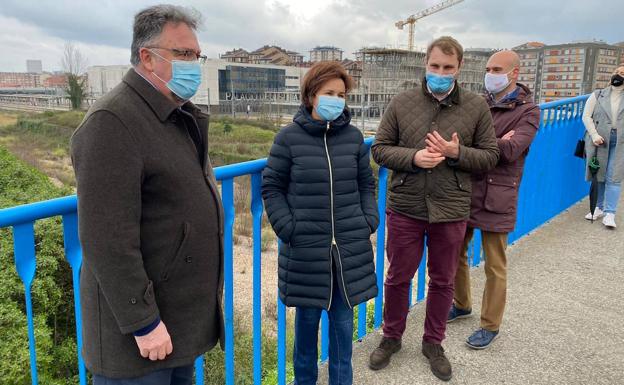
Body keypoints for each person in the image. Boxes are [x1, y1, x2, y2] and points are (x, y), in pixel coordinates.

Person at [71, 5, 223, 384]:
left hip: (176, 327)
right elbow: (106, 238)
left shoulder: (173, 113)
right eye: (183, 54)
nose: (194, 64)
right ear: (147, 57)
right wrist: (143, 321)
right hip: (140, 343)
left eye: (196, 55)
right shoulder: (113, 122)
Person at [368, 36, 499, 382]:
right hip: (406, 206)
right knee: (398, 277)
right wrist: (413, 158)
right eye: (435, 66)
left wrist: (457, 154)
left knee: (442, 280)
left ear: (459, 68)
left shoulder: (476, 107)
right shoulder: (401, 102)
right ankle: (391, 337)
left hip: (451, 208)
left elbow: (490, 157)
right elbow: (380, 149)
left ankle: (433, 343)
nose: (440, 73)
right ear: (425, 64)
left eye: (448, 67)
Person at [262, 61, 379, 385]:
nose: (337, 99)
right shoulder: (288, 138)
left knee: (343, 338)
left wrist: (369, 219)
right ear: (312, 95)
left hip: (347, 255)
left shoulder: (354, 138)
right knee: (305, 341)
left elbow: (366, 183)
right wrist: (289, 229)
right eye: (330, 93)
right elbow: (272, 188)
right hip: (306, 255)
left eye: (341, 94)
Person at [449, 50, 540, 350]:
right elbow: (458, 140)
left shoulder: (529, 111)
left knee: (494, 264)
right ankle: (462, 304)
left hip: (499, 194)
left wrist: (480, 144)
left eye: (497, 68)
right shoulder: (478, 102)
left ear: (514, 73)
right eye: (488, 68)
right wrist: (494, 141)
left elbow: (512, 150)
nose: (490, 73)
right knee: (456, 254)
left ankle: (490, 325)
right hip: (467, 189)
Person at [582, 65, 624, 228]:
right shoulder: (598, 95)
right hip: (600, 140)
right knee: (598, 174)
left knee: (614, 177)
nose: (619, 76)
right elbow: (586, 116)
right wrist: (594, 135)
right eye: (617, 73)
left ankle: (610, 213)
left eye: (623, 74)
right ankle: (598, 207)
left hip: (620, 141)